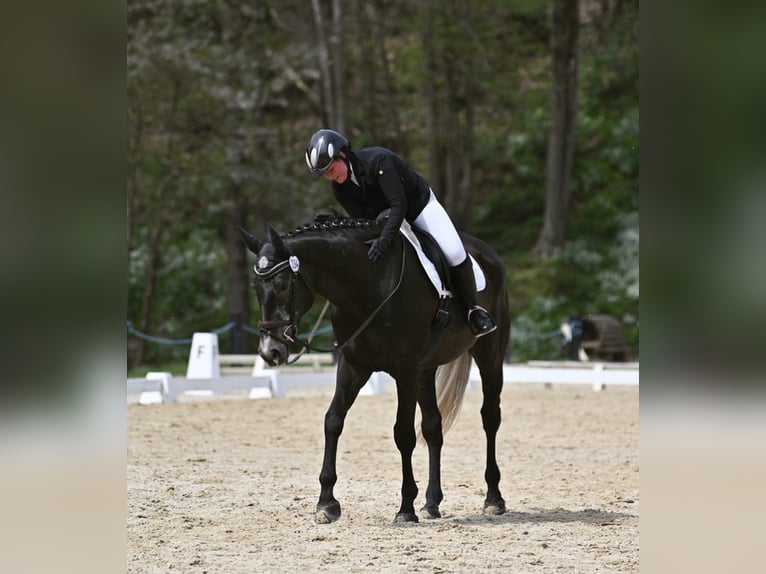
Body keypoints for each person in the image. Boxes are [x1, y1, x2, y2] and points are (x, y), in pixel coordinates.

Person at [305, 128, 496, 338]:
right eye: (325, 174)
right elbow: (365, 221)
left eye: (330, 169)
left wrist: (385, 238)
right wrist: (340, 222)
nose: (329, 176)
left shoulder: (378, 161)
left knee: (453, 252)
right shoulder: (340, 188)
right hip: (386, 216)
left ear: (342, 154)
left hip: (419, 206)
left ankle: (474, 310)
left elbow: (399, 204)